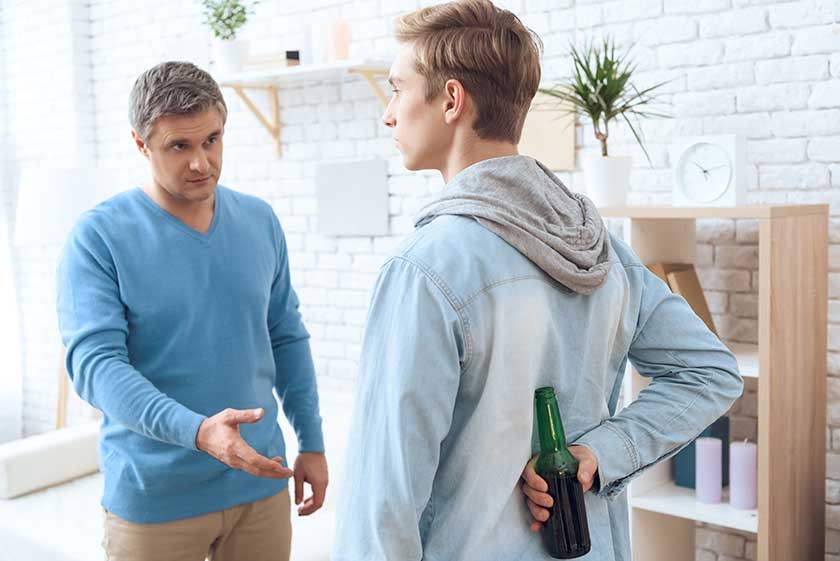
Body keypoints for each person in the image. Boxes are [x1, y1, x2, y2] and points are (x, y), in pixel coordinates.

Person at [330, 2, 743, 560]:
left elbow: (382, 506)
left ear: (451, 100)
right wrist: (603, 449)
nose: (388, 114)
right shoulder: (601, 249)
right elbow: (711, 372)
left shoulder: (425, 270)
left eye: (397, 89)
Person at [56, 61, 327, 561]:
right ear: (141, 144)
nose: (201, 162)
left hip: (260, 484)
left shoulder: (259, 220)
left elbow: (285, 335)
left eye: (212, 140)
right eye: (179, 146)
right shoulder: (99, 236)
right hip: (155, 499)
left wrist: (311, 440)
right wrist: (200, 433)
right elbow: (97, 367)